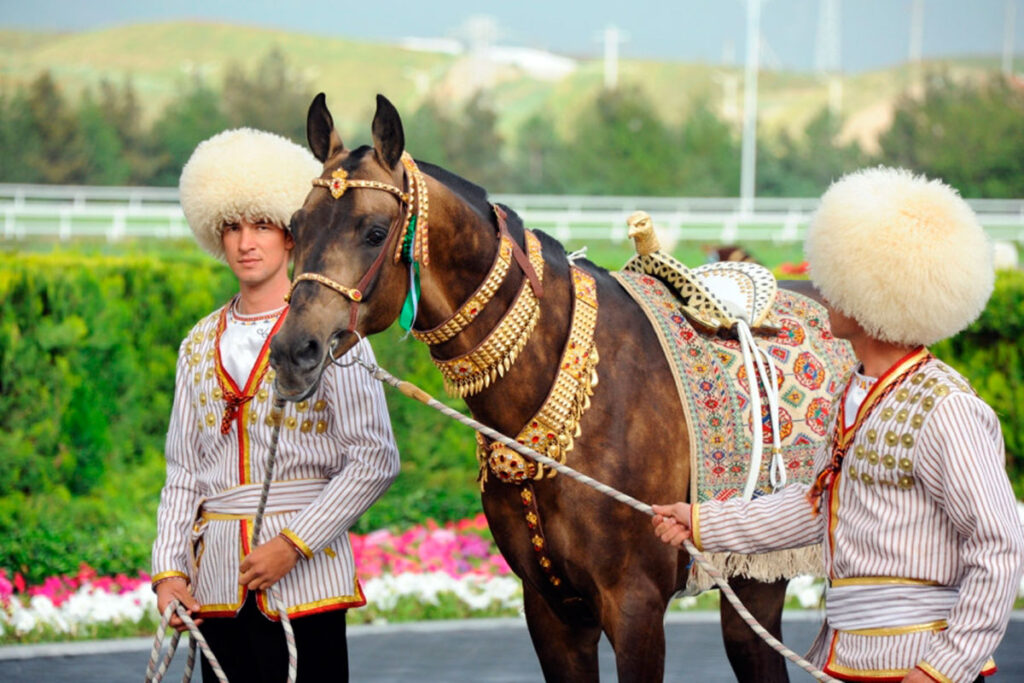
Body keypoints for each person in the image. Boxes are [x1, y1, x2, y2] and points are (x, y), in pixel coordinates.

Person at [651, 167, 1024, 683]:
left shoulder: (947, 408)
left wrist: (944, 669)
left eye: (839, 275)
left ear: (873, 292)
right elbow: (817, 507)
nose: (823, 287)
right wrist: (702, 521)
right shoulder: (856, 392)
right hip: (849, 661)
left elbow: (1000, 542)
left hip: (919, 670)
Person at [151, 128, 400, 682]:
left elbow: (374, 459)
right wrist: (168, 571)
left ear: (292, 236)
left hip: (304, 583)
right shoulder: (196, 343)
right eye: (232, 227)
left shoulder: (336, 334)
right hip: (214, 582)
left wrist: (293, 544)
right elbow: (184, 470)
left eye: (262, 225)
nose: (246, 242)